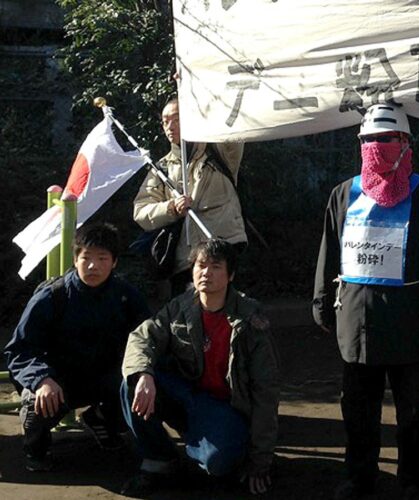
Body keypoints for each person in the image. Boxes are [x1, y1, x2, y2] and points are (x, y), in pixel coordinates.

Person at [312, 103, 419, 500]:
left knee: (411, 409)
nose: (378, 147)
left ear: (405, 143)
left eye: (387, 139)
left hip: (410, 320)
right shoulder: (344, 192)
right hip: (357, 319)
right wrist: (322, 303)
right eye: (370, 140)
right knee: (357, 408)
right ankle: (360, 476)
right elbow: (330, 250)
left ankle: (412, 479)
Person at [120, 239, 281, 496]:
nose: (206, 273)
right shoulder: (180, 306)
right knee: (132, 382)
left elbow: (266, 392)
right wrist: (144, 375)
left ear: (231, 275)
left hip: (226, 407)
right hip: (186, 394)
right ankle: (158, 458)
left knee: (219, 464)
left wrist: (260, 460)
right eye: (200, 265)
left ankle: (213, 444)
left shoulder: (250, 320)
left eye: (216, 267)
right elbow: (142, 337)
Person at [4, 223, 150, 472]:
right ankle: (36, 447)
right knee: (36, 408)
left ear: (114, 262)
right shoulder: (52, 296)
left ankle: (100, 420)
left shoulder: (126, 296)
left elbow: (148, 340)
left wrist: (145, 375)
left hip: (106, 378)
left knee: (141, 390)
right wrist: (41, 379)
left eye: (102, 258)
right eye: (86, 258)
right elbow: (19, 349)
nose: (93, 266)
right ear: (75, 258)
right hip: (59, 381)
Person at [133, 97, 247, 294]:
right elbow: (141, 211)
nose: (170, 126)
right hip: (185, 261)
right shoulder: (162, 167)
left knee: (225, 315)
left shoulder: (220, 152)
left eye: (176, 119)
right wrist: (170, 208)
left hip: (223, 252)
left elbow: (232, 124)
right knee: (186, 320)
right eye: (165, 121)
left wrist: (195, 88)